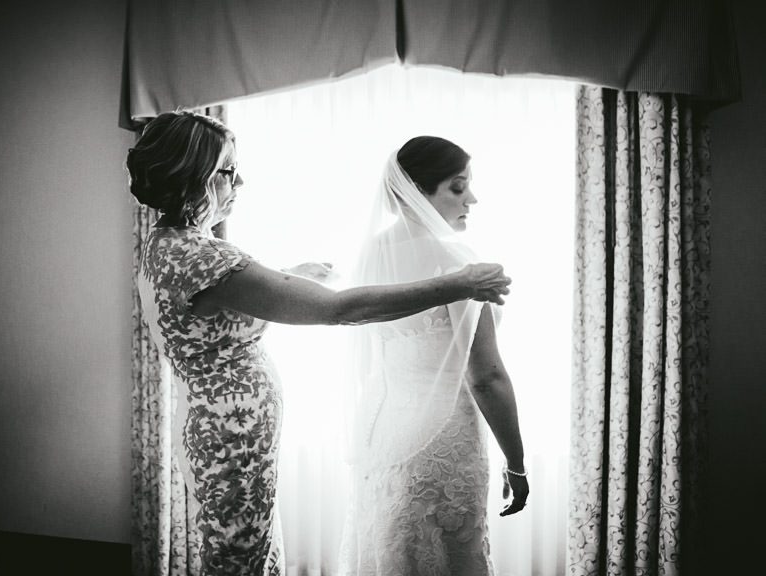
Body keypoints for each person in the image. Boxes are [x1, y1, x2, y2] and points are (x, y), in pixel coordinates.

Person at [126, 112, 512, 576]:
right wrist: (459, 284)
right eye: (229, 172)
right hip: (229, 440)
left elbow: (216, 312)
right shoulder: (203, 257)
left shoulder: (168, 245)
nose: (240, 181)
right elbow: (341, 310)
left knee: (244, 551)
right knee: (238, 562)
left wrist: (292, 277)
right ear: (194, 177)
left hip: (216, 428)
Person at [339, 136, 529, 576]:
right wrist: (516, 465)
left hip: (383, 433)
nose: (473, 199)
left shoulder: (372, 253)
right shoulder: (458, 261)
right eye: (458, 187)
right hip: (443, 439)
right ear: (418, 191)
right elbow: (486, 376)